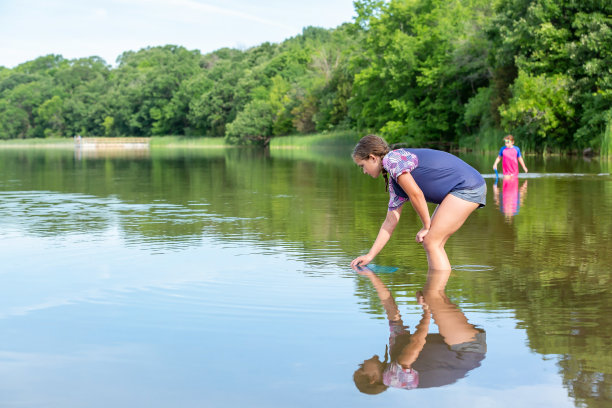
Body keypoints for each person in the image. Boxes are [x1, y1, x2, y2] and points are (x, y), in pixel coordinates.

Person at [350, 134, 486, 271]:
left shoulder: (392, 160)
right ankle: (436, 288)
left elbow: (416, 194)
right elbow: (390, 221)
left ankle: (436, 289)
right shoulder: (395, 180)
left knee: (432, 241)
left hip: (466, 186)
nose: (364, 171)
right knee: (432, 243)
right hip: (463, 187)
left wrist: (426, 226)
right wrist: (370, 255)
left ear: (372, 158)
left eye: (362, 165)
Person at [352, 266, 486, 393]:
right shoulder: (394, 377)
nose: (363, 362)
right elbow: (417, 343)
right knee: (431, 295)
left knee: (433, 292)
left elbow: (391, 309)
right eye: (362, 368)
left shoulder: (394, 352)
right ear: (372, 379)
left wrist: (371, 276)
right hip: (466, 349)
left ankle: (449, 269)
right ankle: (450, 269)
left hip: (460, 346)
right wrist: (426, 310)